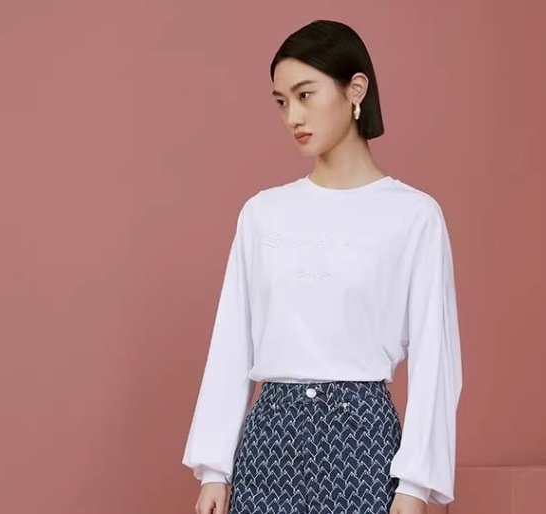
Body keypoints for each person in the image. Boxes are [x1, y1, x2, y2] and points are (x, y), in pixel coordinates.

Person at [182, 19, 463, 514]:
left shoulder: (413, 215)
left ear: (355, 89)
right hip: (270, 443)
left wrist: (415, 485)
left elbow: (435, 358)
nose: (293, 116)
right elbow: (232, 341)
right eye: (281, 101)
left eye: (305, 95)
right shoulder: (263, 214)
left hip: (363, 444)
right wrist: (214, 470)